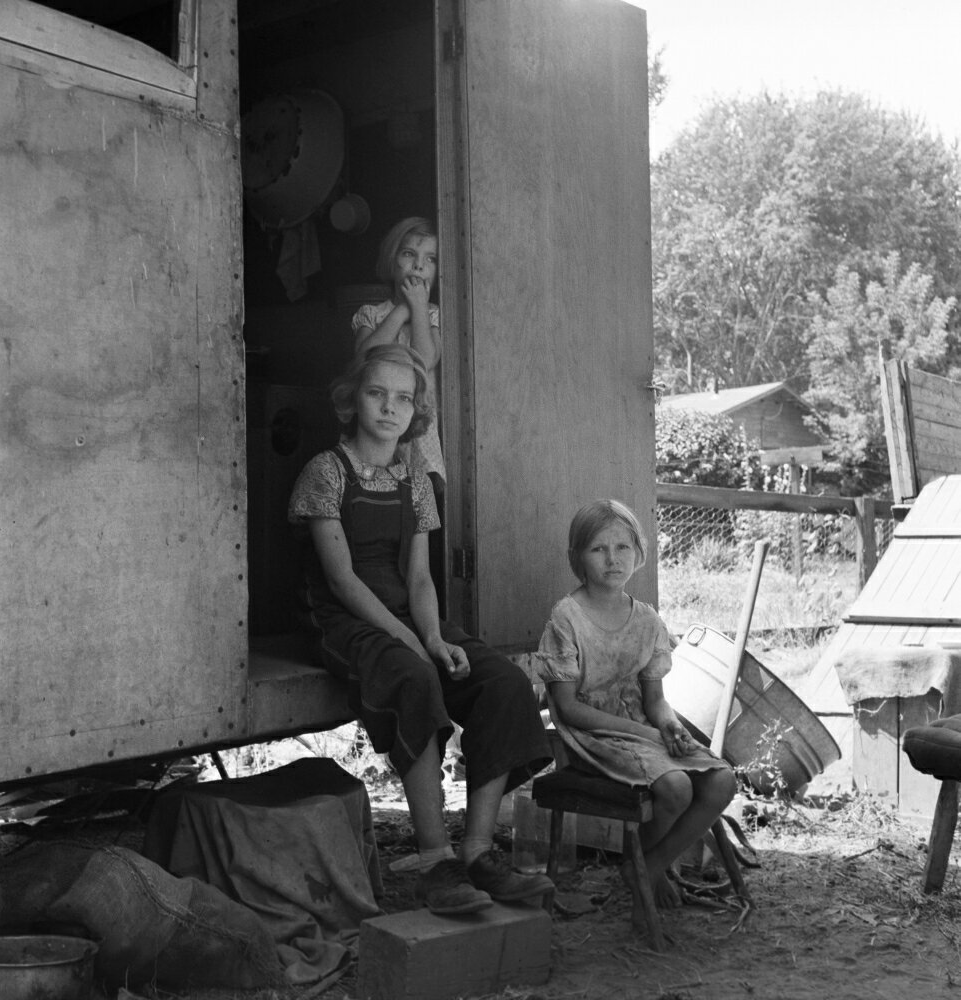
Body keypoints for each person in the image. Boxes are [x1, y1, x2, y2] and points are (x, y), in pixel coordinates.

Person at [288, 343, 553, 915]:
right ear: (352, 399)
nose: (389, 408)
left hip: (409, 615)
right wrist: (413, 645)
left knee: (500, 681)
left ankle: (479, 851)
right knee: (414, 678)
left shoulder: (413, 481)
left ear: (416, 411)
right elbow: (342, 582)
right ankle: (437, 862)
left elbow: (420, 577)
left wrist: (434, 637)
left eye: (403, 398)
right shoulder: (324, 472)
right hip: (340, 618)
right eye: (376, 393)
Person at [537, 499, 736, 908]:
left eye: (623, 548)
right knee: (677, 787)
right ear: (577, 557)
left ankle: (647, 865)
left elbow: (656, 701)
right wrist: (645, 732)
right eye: (598, 549)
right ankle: (644, 867)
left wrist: (669, 726)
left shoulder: (647, 620)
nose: (613, 560)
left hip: (642, 732)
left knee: (722, 780)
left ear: (639, 552)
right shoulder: (567, 618)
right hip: (591, 736)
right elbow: (569, 709)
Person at [351, 217, 445, 490]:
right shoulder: (371, 313)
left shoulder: (433, 315)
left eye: (430, 259)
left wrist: (418, 308)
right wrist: (403, 308)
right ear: (392, 262)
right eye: (409, 254)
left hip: (419, 426)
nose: (418, 265)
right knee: (377, 487)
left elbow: (426, 360)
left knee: (420, 493)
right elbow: (365, 358)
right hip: (379, 417)